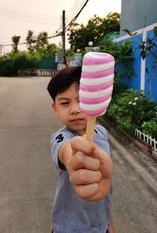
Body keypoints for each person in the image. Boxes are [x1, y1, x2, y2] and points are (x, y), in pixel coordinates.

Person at [47, 66, 114, 233]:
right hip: (69, 227)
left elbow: (105, 185)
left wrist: (108, 223)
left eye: (82, 100)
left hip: (101, 225)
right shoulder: (60, 138)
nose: (75, 109)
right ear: (55, 108)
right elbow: (66, 151)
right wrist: (73, 156)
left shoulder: (102, 132)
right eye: (65, 103)